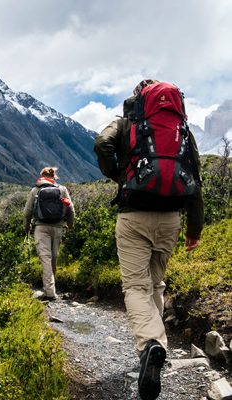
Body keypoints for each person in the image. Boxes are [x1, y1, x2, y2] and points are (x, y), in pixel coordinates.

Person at [94, 80, 204, 400]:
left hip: (134, 216)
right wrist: (194, 231)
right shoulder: (181, 130)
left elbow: (102, 143)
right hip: (171, 218)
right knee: (156, 284)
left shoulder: (128, 123)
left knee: (135, 287)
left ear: (139, 100)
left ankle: (150, 345)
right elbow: (195, 178)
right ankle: (155, 347)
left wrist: (117, 174)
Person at [24, 167, 75, 301]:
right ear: (54, 177)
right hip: (58, 227)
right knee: (53, 257)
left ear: (41, 176)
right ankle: (51, 288)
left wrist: (27, 228)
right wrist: (70, 225)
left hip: (41, 228)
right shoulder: (62, 189)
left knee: (45, 258)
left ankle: (50, 292)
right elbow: (71, 208)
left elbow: (27, 212)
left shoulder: (35, 190)